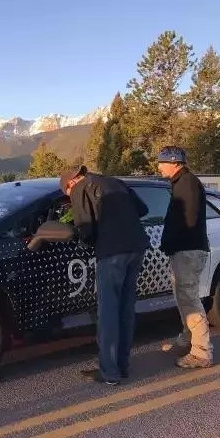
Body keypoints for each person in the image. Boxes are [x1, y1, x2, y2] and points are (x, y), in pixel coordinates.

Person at [60, 165, 149, 385]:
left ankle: (109, 372)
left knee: (108, 312)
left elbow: (86, 228)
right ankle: (122, 366)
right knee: (126, 308)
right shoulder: (115, 181)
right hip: (137, 247)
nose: (71, 196)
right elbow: (142, 209)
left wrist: (84, 238)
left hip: (112, 252)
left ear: (71, 183)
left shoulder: (80, 188)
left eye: (68, 194)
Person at [157, 146, 212, 369]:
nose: (159, 167)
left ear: (174, 163)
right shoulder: (181, 183)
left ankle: (201, 352)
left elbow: (187, 221)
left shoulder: (187, 184)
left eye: (162, 162)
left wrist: (170, 242)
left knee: (189, 298)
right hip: (183, 250)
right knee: (183, 297)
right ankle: (188, 339)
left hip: (188, 250)